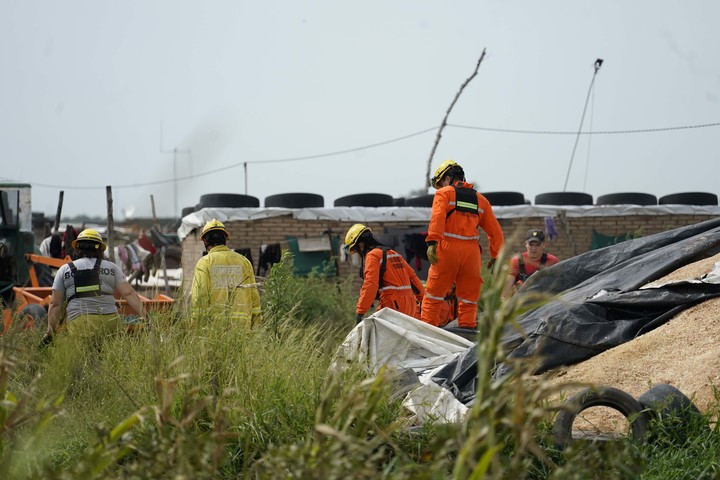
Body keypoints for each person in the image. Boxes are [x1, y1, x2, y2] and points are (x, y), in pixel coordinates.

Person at [421, 159, 505, 330]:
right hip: (471, 254)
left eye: (441, 182)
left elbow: (437, 218)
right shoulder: (481, 200)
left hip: (447, 250)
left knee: (434, 297)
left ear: (448, 178)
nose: (441, 186)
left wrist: (432, 241)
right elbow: (495, 232)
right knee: (468, 300)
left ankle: (426, 334)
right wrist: (497, 256)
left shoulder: (444, 194)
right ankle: (467, 334)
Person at [44, 229, 146, 342]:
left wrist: (50, 332)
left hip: (81, 323)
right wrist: (146, 317)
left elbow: (55, 304)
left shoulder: (64, 270)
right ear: (101, 249)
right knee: (108, 358)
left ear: (77, 248)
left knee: (83, 358)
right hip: (111, 322)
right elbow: (129, 293)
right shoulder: (112, 268)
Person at [344, 224, 425, 323]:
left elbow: (370, 284)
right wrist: (423, 301)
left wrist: (361, 311)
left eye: (357, 250)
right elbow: (413, 278)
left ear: (361, 245)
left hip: (392, 305)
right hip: (410, 305)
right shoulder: (394, 253)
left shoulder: (373, 256)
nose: (359, 254)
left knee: (378, 335)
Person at [191, 219, 261, 327]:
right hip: (242, 329)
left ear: (205, 240)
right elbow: (254, 298)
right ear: (225, 238)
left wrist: (196, 328)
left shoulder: (204, 263)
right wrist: (256, 327)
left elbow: (199, 298)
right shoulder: (244, 262)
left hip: (215, 330)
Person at [504, 228, 560, 298]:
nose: (533, 248)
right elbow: (506, 290)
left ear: (544, 245)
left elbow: (560, 285)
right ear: (526, 244)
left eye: (537, 245)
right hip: (521, 303)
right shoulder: (516, 261)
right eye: (531, 244)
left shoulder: (552, 261)